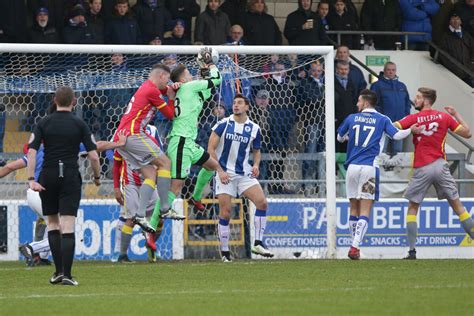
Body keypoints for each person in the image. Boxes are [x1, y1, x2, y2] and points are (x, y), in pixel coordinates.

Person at [147, 48, 225, 246]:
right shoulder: (188, 88)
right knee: (176, 186)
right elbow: (216, 80)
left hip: (189, 142)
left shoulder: (190, 91)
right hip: (180, 141)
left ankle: (195, 197)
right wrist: (210, 64)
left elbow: (207, 91)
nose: (192, 75)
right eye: (189, 74)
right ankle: (151, 229)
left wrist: (203, 71)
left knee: (212, 165)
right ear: (183, 78)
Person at [27, 86, 101, 286]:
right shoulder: (80, 124)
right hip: (69, 174)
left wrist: (31, 179)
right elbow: (93, 155)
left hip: (48, 175)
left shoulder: (43, 122)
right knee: (67, 226)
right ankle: (67, 275)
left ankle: (57, 272)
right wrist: (96, 176)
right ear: (74, 101)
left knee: (52, 223)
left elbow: (32, 152)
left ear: (54, 101)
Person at [337, 89, 418, 260]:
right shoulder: (382, 119)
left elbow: (339, 137)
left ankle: (354, 246)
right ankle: (355, 246)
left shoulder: (352, 118)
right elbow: (397, 135)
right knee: (365, 209)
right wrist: (411, 129)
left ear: (366, 102)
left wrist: (349, 138)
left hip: (351, 168)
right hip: (369, 168)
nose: (357, 104)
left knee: (354, 207)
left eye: (359, 101)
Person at [394, 87, 474, 259]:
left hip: (422, 167)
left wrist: (410, 130)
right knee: (458, 207)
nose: (415, 100)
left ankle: (412, 250)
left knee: (413, 208)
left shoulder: (413, 118)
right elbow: (468, 133)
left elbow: (393, 128)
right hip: (440, 165)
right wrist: (456, 114)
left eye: (418, 97)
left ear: (426, 100)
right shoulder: (445, 117)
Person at [114, 63, 181, 235]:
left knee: (151, 174)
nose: (168, 83)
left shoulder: (147, 88)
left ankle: (140, 215)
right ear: (160, 76)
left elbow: (166, 89)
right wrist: (172, 97)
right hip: (133, 134)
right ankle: (165, 208)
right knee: (165, 163)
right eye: (167, 79)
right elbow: (171, 115)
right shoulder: (151, 90)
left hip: (122, 138)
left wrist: (172, 88)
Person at [208, 94, 274, 262]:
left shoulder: (254, 128)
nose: (235, 105)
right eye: (234, 102)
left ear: (247, 107)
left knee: (262, 203)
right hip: (225, 174)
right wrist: (220, 171)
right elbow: (210, 148)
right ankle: (225, 252)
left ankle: (258, 243)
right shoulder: (223, 124)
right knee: (226, 213)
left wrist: (256, 165)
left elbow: (256, 150)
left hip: (244, 173)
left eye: (239, 103)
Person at [112, 124, 164, 263]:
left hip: (150, 182)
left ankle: (150, 244)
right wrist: (116, 187)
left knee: (159, 218)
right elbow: (116, 164)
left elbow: (161, 162)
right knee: (132, 218)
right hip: (131, 183)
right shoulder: (124, 137)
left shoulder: (152, 139)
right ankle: (122, 255)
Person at [370, 62, 411, 155]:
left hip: (399, 124)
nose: (391, 72)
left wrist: (406, 117)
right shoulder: (377, 85)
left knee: (398, 151)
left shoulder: (402, 86)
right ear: (384, 70)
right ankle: (379, 170)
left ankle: (396, 170)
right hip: (383, 124)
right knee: (381, 150)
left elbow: (407, 103)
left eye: (393, 70)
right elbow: (373, 104)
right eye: (388, 70)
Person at [439, 12, 474, 86]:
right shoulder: (444, 36)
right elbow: (443, 55)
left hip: (469, 72)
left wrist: (471, 64)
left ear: (461, 21)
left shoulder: (466, 35)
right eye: (453, 19)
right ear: (449, 21)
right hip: (454, 74)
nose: (455, 21)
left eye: (457, 19)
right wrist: (455, 69)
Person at [334, 60, 357, 153]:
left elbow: (355, 100)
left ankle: (346, 166)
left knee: (348, 144)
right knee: (336, 144)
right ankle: (335, 167)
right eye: (341, 69)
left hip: (349, 119)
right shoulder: (331, 82)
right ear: (336, 69)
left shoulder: (352, 83)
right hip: (336, 120)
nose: (343, 71)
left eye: (346, 69)